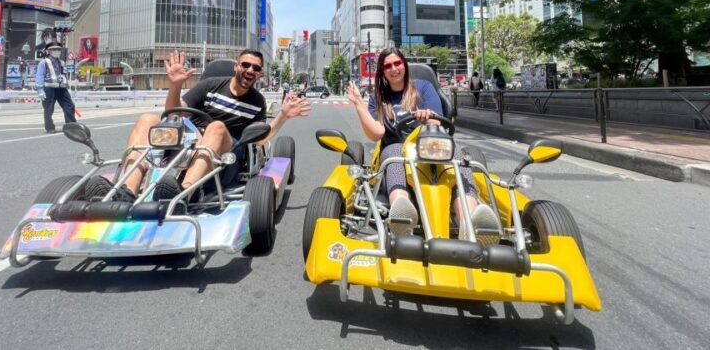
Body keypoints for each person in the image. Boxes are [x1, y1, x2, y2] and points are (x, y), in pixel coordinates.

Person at [85, 49, 310, 202]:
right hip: (187, 143)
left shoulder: (257, 102)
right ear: (236, 67)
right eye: (245, 65)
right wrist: (175, 86)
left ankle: (184, 193)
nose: (250, 70)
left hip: (225, 156)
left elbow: (260, 141)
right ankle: (128, 191)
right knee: (148, 119)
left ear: (259, 74)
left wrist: (282, 116)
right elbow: (174, 112)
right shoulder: (210, 86)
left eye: (256, 68)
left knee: (217, 127)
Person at [346, 47, 499, 238]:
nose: (394, 69)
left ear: (404, 65)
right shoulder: (378, 97)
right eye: (388, 66)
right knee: (393, 152)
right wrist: (359, 105)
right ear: (382, 71)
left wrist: (428, 117)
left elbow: (438, 121)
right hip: (399, 151)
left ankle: (469, 221)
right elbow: (377, 133)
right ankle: (401, 214)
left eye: (397, 63)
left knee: (459, 157)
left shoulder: (423, 87)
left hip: (431, 148)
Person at [35, 42, 76, 134]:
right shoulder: (44, 62)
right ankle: (49, 127)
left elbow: (62, 74)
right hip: (49, 88)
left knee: (69, 106)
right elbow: (39, 76)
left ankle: (71, 125)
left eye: (58, 49)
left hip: (61, 88)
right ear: (49, 51)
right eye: (54, 49)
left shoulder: (61, 62)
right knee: (49, 108)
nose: (56, 51)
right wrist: (40, 90)